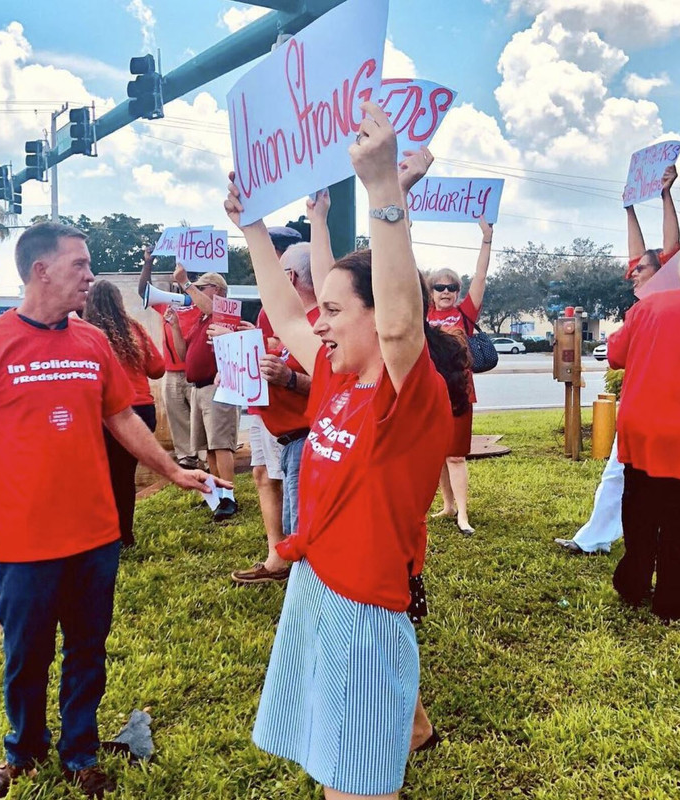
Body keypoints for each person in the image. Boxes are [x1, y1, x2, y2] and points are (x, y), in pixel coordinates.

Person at [0, 222, 226, 799]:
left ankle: (80, 752)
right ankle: (22, 751)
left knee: (87, 651)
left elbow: (122, 418)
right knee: (26, 654)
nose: (90, 275)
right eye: (80, 264)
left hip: (95, 534)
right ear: (40, 270)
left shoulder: (92, 342)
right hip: (26, 541)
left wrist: (173, 470)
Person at [225, 102, 453, 799]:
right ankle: (409, 724)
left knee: (350, 782)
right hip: (316, 583)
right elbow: (286, 313)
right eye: (319, 310)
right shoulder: (334, 376)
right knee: (327, 741)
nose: (316, 324)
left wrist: (384, 191)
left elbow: (397, 321)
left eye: (334, 311)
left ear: (374, 317)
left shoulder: (406, 394)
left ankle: (398, 730)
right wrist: (253, 230)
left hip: (363, 607)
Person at [555, 164, 680, 555]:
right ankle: (593, 539)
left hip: (674, 405)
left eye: (641, 269)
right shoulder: (641, 303)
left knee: (668, 482)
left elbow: (669, 245)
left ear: (663, 271)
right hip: (640, 404)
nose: (632, 274)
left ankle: (665, 543)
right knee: (616, 474)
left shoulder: (669, 290)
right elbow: (637, 253)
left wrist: (664, 195)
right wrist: (628, 207)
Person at [607, 235, 680, 620]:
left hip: (643, 430)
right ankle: (673, 603)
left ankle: (633, 585)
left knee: (640, 512)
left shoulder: (649, 307)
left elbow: (615, 355)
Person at [230, 241, 318, 584]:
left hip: (305, 437)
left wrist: (290, 378)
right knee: (297, 522)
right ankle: (292, 574)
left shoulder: (314, 322)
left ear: (290, 276)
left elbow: (337, 382)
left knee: (302, 528)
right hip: (291, 438)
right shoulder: (295, 321)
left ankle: (305, 592)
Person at [84, 279, 165, 548]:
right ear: (119, 301)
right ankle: (125, 535)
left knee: (101, 476)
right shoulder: (135, 329)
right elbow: (157, 369)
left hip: (107, 415)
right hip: (143, 412)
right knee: (124, 476)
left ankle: (105, 534)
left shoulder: (86, 333)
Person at [426, 217, 494, 535]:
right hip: (428, 391)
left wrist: (486, 240)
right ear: (430, 291)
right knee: (437, 454)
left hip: (458, 393)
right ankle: (448, 505)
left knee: (454, 455)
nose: (446, 292)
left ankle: (462, 514)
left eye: (452, 287)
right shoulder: (422, 315)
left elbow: (480, 276)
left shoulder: (464, 313)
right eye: (440, 287)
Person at [166, 272, 240, 522]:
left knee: (220, 443)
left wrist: (185, 283)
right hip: (199, 388)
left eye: (201, 287)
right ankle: (217, 495)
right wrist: (175, 326)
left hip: (216, 387)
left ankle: (229, 496)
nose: (194, 292)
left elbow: (214, 308)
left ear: (216, 290)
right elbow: (183, 353)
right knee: (208, 446)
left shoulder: (224, 313)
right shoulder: (202, 319)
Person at [138, 251, 213, 470]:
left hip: (196, 372)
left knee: (201, 416)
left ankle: (206, 456)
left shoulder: (203, 305)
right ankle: (186, 456)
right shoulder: (168, 303)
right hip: (171, 372)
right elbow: (145, 291)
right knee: (178, 416)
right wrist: (148, 262)